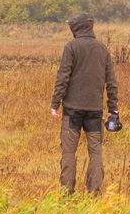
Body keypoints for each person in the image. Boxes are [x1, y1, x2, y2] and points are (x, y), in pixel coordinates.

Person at [50, 12, 118, 194]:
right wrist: (113, 109)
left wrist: (55, 103)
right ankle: (94, 193)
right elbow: (111, 82)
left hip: (72, 111)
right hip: (95, 111)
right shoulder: (102, 49)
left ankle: (66, 194)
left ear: (76, 28)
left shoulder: (71, 47)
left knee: (68, 154)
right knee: (95, 153)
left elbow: (62, 77)